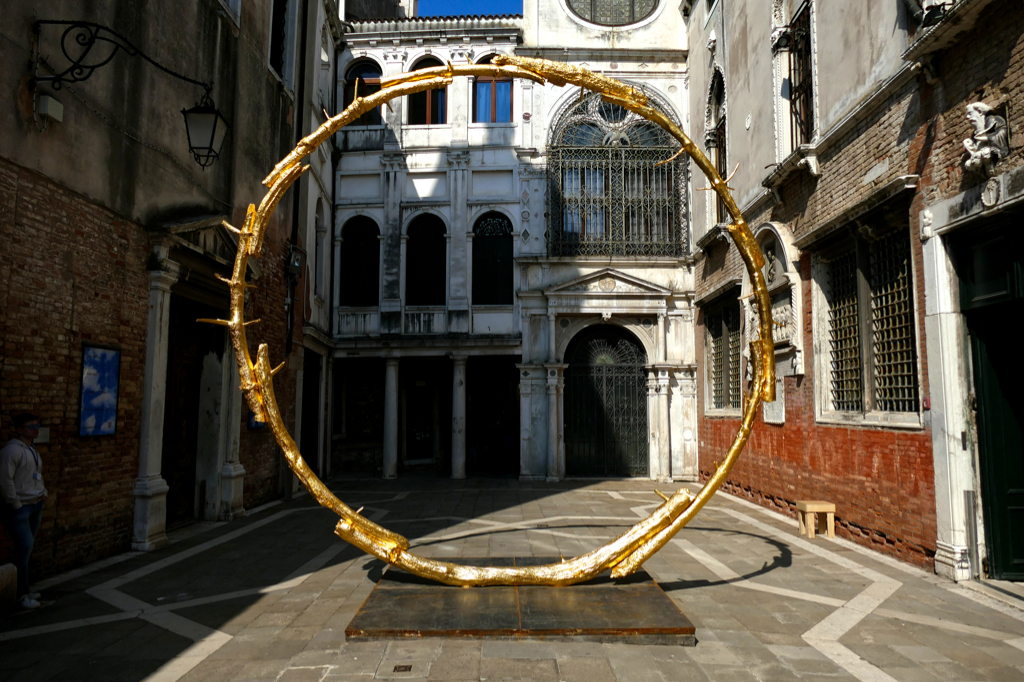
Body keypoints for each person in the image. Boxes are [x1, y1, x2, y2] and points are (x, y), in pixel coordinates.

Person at [0, 413, 48, 609]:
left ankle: (25, 588)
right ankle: (22, 594)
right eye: (31, 426)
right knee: (24, 548)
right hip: (20, 507)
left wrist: (43, 492)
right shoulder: (11, 451)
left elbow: (36, 476)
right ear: (19, 429)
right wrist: (16, 504)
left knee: (26, 550)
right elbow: (4, 480)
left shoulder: (32, 450)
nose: (35, 430)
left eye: (37, 426)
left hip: (35, 503)